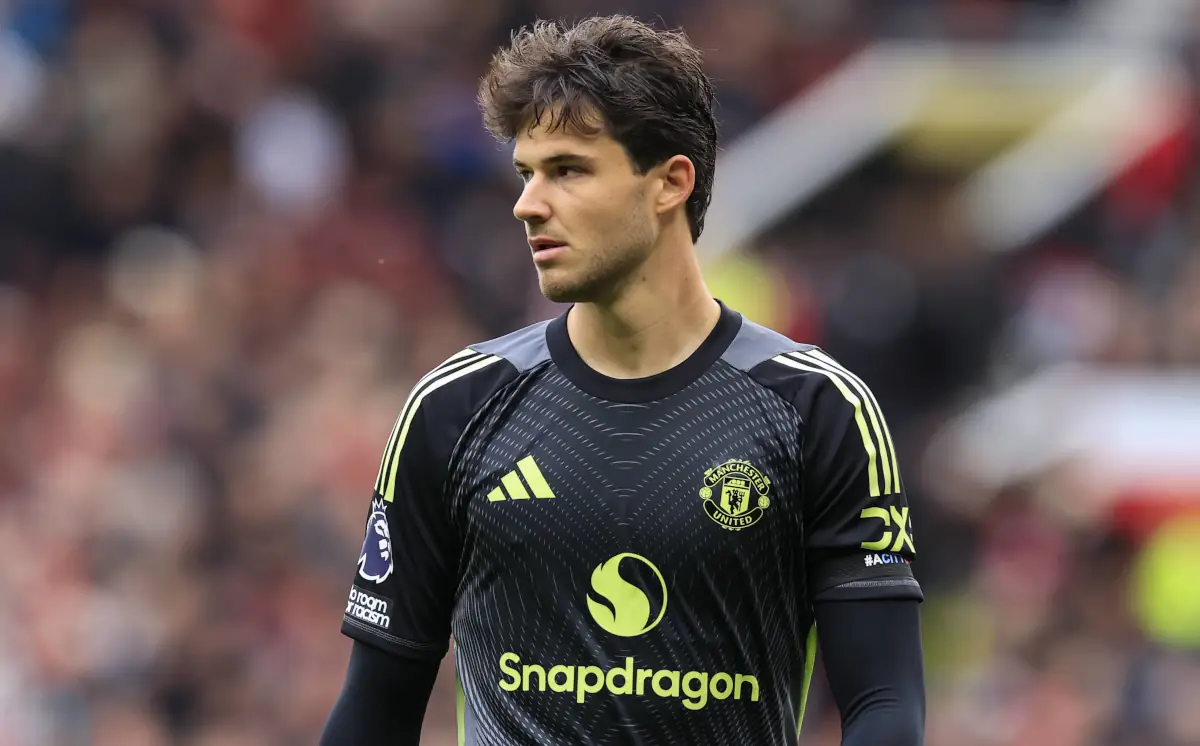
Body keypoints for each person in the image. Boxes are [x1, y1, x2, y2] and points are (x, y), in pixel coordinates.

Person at [321, 14, 925, 745]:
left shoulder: (817, 410)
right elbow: (374, 710)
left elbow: (885, 706)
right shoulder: (455, 409)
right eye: (526, 173)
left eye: (568, 170)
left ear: (670, 183)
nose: (527, 203)